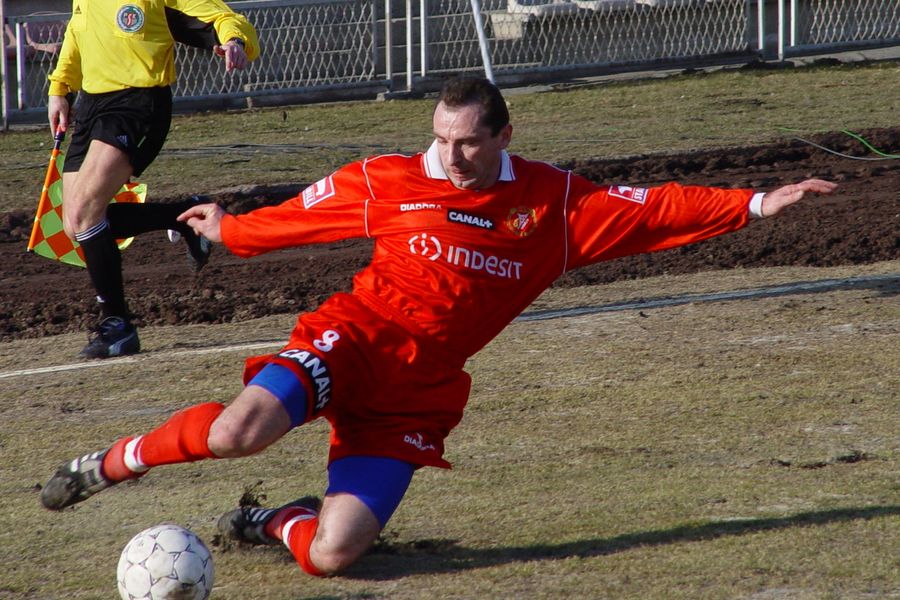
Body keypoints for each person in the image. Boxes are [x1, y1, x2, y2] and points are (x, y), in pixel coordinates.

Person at [40, 76, 838, 577]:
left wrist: (760, 202)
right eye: (441, 139)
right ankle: (112, 463)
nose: (449, 157)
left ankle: (267, 519)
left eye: (467, 144)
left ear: (503, 138)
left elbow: (654, 206)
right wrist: (234, 230)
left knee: (334, 556)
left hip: (414, 397)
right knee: (239, 432)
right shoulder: (391, 179)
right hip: (348, 342)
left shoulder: (554, 205)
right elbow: (302, 217)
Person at [47, 0, 259, 358]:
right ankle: (186, 215)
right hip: (90, 106)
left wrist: (234, 41)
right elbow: (76, 31)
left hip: (136, 104)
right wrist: (60, 88)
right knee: (74, 224)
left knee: (85, 214)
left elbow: (222, 16)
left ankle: (118, 326)